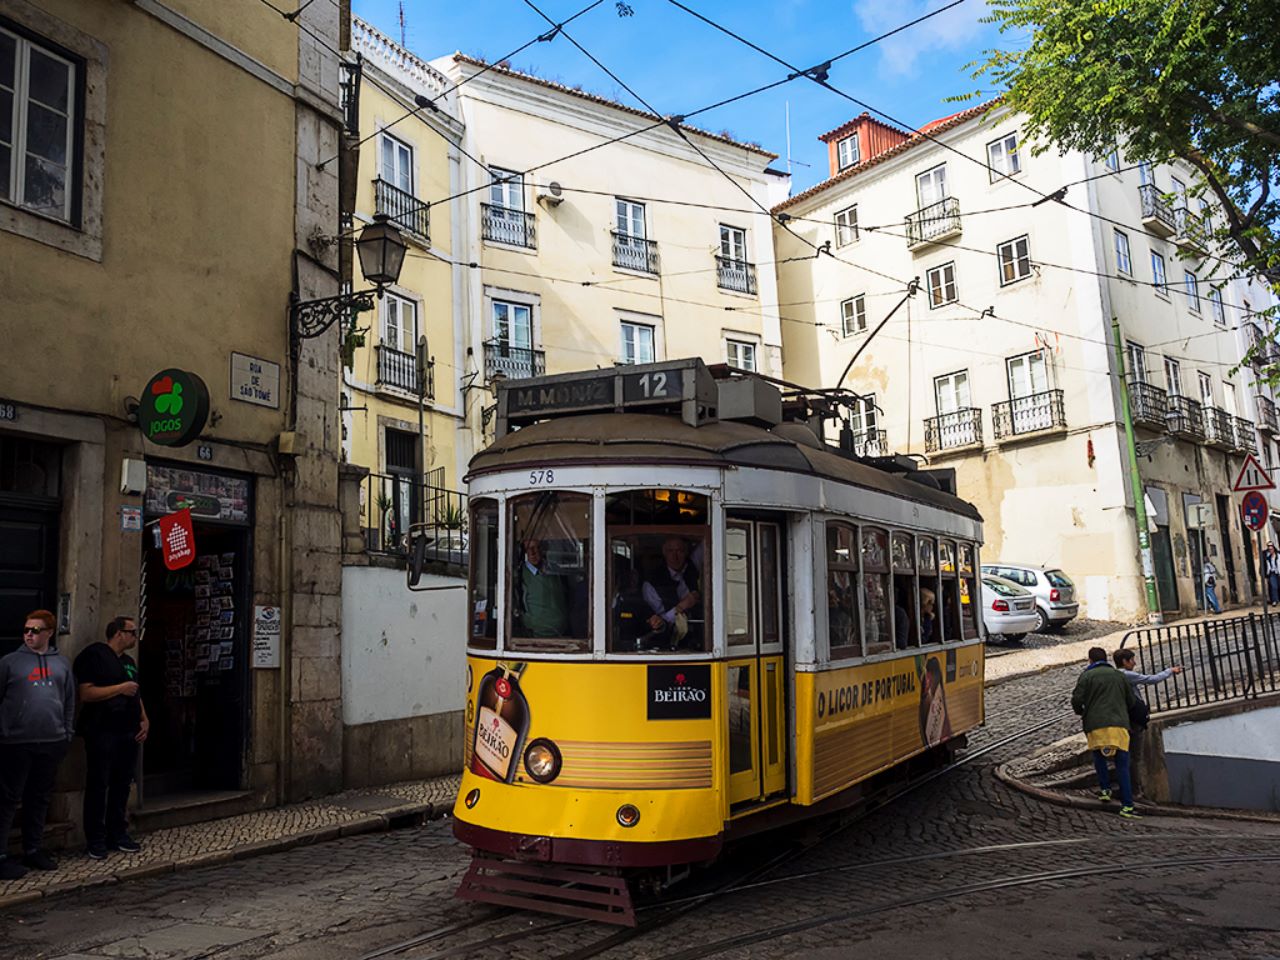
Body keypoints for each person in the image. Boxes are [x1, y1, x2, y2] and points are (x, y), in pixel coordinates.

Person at [0, 611, 76, 879]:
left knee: (39, 797)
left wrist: (66, 733)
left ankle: (34, 849)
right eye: (26, 630)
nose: (29, 634)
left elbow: (69, 701)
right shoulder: (10, 663)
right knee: (8, 798)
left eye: (35, 630)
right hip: (16, 742)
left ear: (49, 632)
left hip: (52, 740)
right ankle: (1, 855)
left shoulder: (62, 665)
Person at [74, 616, 149, 859]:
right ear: (118, 633)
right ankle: (95, 838)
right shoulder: (95, 656)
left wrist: (144, 718)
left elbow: (135, 691)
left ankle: (118, 833)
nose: (135, 637)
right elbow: (86, 693)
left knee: (122, 784)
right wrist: (119, 689)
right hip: (102, 730)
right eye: (132, 632)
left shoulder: (129, 662)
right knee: (99, 784)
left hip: (128, 730)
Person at [1071, 646, 1141, 819]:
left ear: (1090, 660)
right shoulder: (1119, 675)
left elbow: (1077, 700)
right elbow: (1131, 700)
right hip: (1119, 725)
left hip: (1096, 725)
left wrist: (1082, 711)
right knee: (1122, 765)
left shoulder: (1086, 676)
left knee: (1099, 758)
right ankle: (1127, 806)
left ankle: (1105, 790)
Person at [1112, 648, 1183, 797]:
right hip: (1133, 720)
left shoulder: (1114, 675)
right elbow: (1151, 679)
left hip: (1122, 719)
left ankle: (1129, 787)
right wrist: (1170, 671)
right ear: (1125, 662)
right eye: (1132, 660)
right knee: (1135, 756)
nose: (1134, 662)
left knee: (1127, 755)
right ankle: (1134, 790)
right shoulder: (1127, 675)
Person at [642, 537, 703, 650]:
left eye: (679, 551)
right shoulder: (651, 584)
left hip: (701, 639)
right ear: (664, 553)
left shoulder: (692, 566)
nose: (675, 556)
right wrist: (682, 606)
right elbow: (658, 621)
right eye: (670, 551)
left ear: (686, 552)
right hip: (667, 644)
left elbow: (709, 540)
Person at [513, 539, 569, 638]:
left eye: (536, 548)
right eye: (528, 549)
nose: (533, 553)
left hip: (562, 634)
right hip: (535, 636)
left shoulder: (555, 570)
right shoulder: (518, 575)